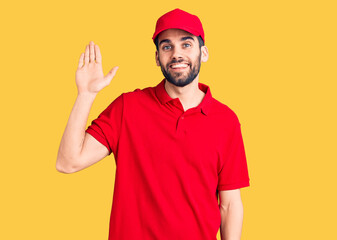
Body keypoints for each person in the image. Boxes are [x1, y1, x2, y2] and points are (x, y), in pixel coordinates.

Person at [56, 8, 250, 240]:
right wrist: (86, 94)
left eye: (186, 44)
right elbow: (68, 162)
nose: (177, 54)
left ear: (204, 53)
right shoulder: (128, 107)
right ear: (157, 57)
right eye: (167, 46)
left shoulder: (225, 120)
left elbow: (229, 205)